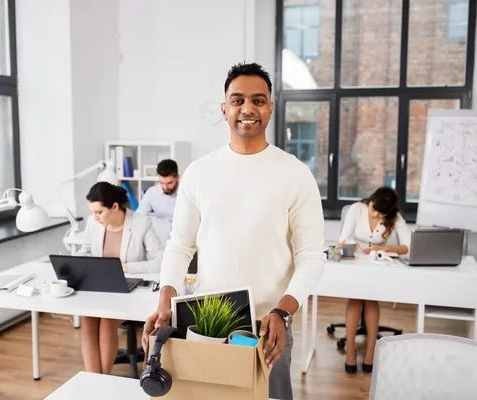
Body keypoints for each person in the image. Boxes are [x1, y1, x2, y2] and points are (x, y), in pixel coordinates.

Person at [142, 62, 326, 400]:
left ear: (270, 108)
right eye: (238, 100)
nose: (247, 109)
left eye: (258, 100)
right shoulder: (199, 172)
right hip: (208, 322)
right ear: (224, 108)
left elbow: (312, 255)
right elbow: (180, 245)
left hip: (268, 324)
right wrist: (165, 298)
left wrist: (283, 312)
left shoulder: (295, 173)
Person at [79, 182, 163, 374]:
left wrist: (123, 268)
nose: (95, 217)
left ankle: (104, 378)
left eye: (99, 212)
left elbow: (160, 261)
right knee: (88, 317)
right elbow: (85, 251)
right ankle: (93, 380)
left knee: (107, 318)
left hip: (130, 290)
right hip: (101, 287)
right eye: (93, 212)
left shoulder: (141, 223)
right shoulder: (93, 224)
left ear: (115, 206)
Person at [337, 186, 411, 374]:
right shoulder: (356, 209)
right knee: (354, 297)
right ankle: (350, 352)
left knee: (370, 298)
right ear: (370, 201)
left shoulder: (393, 217)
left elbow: (408, 247)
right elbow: (343, 239)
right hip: (355, 262)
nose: (376, 215)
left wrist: (383, 249)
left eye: (380, 215)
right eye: (373, 209)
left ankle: (371, 352)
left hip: (377, 265)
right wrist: (352, 248)